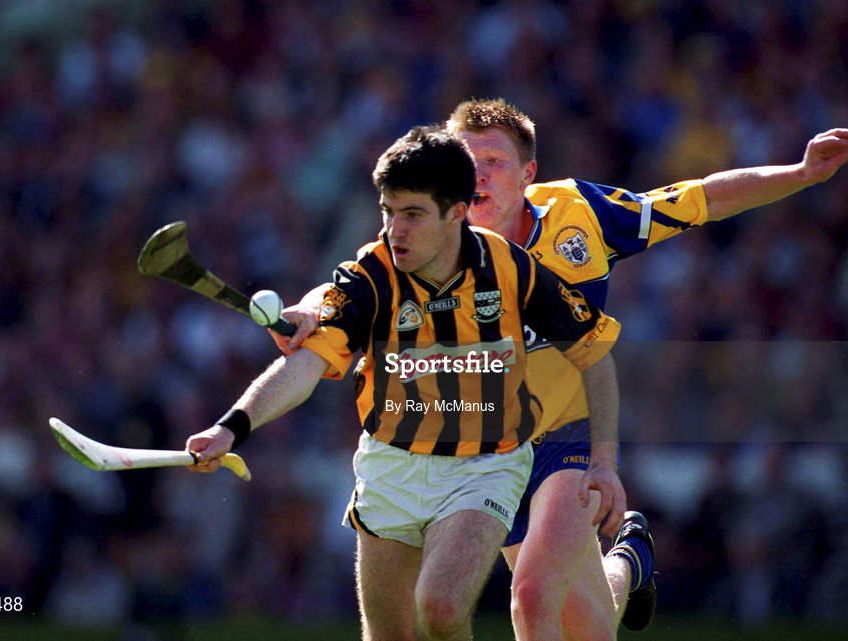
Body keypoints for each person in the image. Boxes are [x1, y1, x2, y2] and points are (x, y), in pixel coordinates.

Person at [273, 100, 848, 640]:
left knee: (533, 598)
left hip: (566, 438)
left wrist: (798, 174)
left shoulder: (580, 214)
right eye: (467, 162)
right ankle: (630, 561)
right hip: (486, 452)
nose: (478, 175)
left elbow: (701, 199)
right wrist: (307, 308)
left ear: (528, 174)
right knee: (587, 623)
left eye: (494, 162)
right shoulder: (434, 230)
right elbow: (359, 283)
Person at [186, 126, 626, 641]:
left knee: (440, 609)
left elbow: (595, 355)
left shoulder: (510, 267)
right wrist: (231, 428)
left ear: (456, 213)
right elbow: (303, 368)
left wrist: (602, 462)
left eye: (413, 214)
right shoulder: (370, 278)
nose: (396, 230)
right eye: (388, 211)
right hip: (392, 464)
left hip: (486, 464)